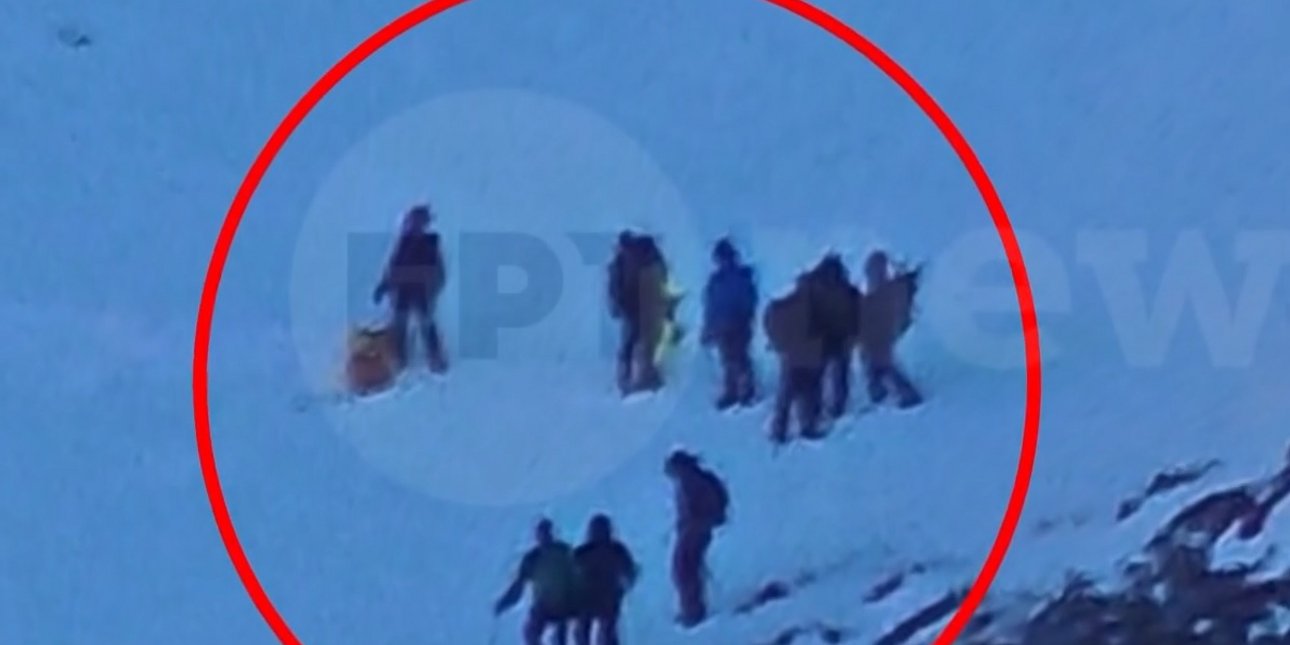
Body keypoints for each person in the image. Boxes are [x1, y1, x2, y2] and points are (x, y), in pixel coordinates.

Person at [372, 204, 448, 373]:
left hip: (422, 291)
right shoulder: (403, 242)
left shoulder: (430, 243)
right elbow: (394, 267)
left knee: (426, 323)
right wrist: (383, 286)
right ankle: (400, 359)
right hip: (403, 291)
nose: (413, 226)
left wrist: (433, 288)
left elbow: (438, 272)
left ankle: (436, 358)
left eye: (418, 222)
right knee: (400, 324)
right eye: (412, 222)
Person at [664, 450, 729, 628]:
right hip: (697, 530)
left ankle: (693, 611)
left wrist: (689, 524)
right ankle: (693, 608)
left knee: (685, 570)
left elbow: (693, 509)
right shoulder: (693, 478)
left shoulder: (689, 480)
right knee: (689, 569)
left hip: (694, 530)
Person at [494, 519, 583, 645]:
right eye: (542, 534)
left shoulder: (564, 552)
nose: (545, 537)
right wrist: (505, 602)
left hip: (566, 603)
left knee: (560, 632)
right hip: (544, 606)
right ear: (537, 536)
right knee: (531, 632)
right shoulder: (533, 558)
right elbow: (518, 587)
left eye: (547, 533)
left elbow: (579, 575)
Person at [763, 274, 826, 442]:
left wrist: (777, 342)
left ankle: (779, 429)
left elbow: (771, 315)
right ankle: (808, 426)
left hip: (791, 358)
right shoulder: (819, 307)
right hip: (812, 359)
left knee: (786, 396)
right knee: (810, 395)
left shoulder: (787, 304)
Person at [857, 250, 923, 409]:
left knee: (882, 365)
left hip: (879, 334)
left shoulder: (886, 290)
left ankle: (908, 395)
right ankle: (878, 392)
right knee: (873, 363)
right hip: (876, 334)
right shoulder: (886, 288)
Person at [607, 231, 670, 395]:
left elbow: (615, 288)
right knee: (650, 342)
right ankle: (652, 377)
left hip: (630, 307)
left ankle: (628, 380)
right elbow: (663, 278)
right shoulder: (650, 256)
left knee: (630, 344)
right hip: (650, 305)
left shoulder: (621, 261)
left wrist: (616, 307)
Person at [701, 238, 759, 410]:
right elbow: (711, 306)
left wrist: (709, 327)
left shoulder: (737, 277)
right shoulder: (721, 279)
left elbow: (748, 301)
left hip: (736, 323)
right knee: (731, 359)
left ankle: (744, 391)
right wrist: (708, 328)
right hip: (728, 325)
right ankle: (735, 391)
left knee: (737, 358)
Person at [802, 254, 861, 419]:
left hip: (822, 339)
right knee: (838, 375)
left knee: (818, 377)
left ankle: (816, 409)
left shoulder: (812, 288)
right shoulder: (848, 290)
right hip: (837, 338)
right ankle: (836, 407)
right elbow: (859, 314)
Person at [573, 514, 639, 645]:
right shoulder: (583, 552)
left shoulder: (617, 550)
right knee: (586, 631)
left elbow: (630, 571)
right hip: (589, 598)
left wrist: (626, 584)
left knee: (606, 632)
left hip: (607, 598)